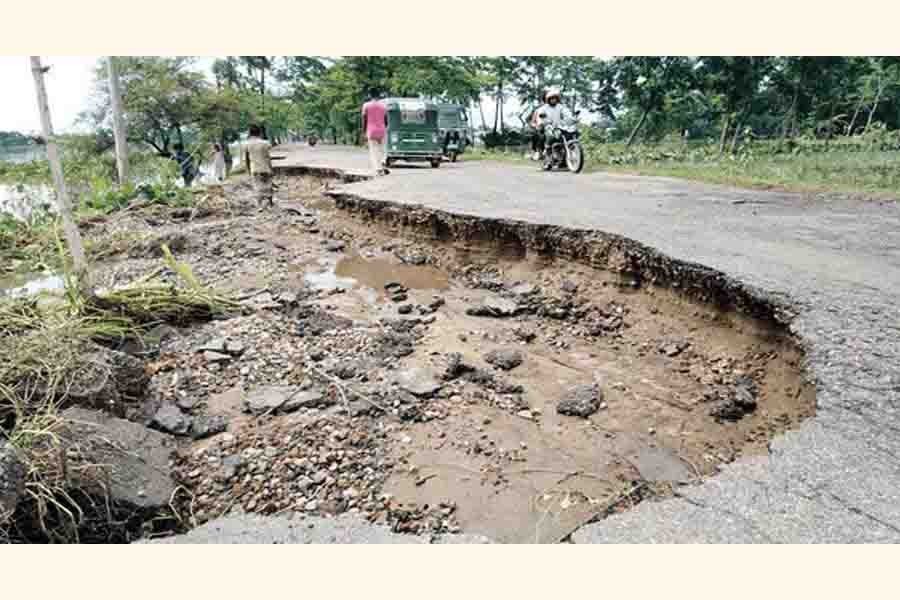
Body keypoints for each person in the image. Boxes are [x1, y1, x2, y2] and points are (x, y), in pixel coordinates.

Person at [532, 87, 573, 165]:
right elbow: (540, 117)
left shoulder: (561, 107)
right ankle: (546, 159)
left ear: (557, 99)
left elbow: (567, 113)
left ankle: (564, 160)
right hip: (548, 127)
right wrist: (540, 123)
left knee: (568, 136)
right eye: (551, 98)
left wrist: (571, 118)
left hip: (559, 127)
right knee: (546, 138)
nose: (553, 100)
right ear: (548, 99)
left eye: (555, 98)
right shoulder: (543, 108)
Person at [241, 124, 274, 209]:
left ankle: (259, 205)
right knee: (268, 185)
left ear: (250, 133)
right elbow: (268, 157)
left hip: (255, 168)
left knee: (257, 187)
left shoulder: (247, 144)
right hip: (266, 167)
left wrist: (248, 170)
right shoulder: (265, 143)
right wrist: (271, 168)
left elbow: (247, 159)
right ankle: (270, 203)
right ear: (259, 133)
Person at [361, 88, 389, 176]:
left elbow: (364, 119)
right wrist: (385, 126)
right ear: (379, 95)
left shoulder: (366, 105)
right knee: (383, 149)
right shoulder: (384, 106)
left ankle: (378, 168)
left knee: (374, 150)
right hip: (382, 130)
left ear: (370, 95)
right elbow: (386, 120)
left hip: (371, 130)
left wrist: (363, 131)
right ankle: (383, 161)